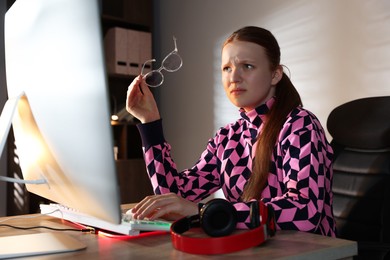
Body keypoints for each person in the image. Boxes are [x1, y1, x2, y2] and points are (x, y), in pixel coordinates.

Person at [126, 26, 336, 237]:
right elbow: (173, 197)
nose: (234, 77)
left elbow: (304, 213)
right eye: (226, 68)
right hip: (251, 251)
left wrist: (206, 213)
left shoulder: (300, 125)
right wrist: (149, 121)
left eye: (247, 66)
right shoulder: (227, 138)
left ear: (275, 74)